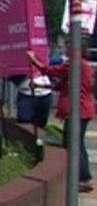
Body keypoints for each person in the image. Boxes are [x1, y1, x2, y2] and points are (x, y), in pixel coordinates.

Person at [28, 50, 94, 192]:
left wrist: (34, 61)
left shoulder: (75, 65)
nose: (66, 51)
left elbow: (50, 71)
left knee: (73, 143)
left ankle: (82, 177)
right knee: (74, 142)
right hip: (82, 110)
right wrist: (41, 86)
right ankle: (81, 176)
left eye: (69, 46)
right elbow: (61, 85)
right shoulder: (81, 66)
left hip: (78, 110)